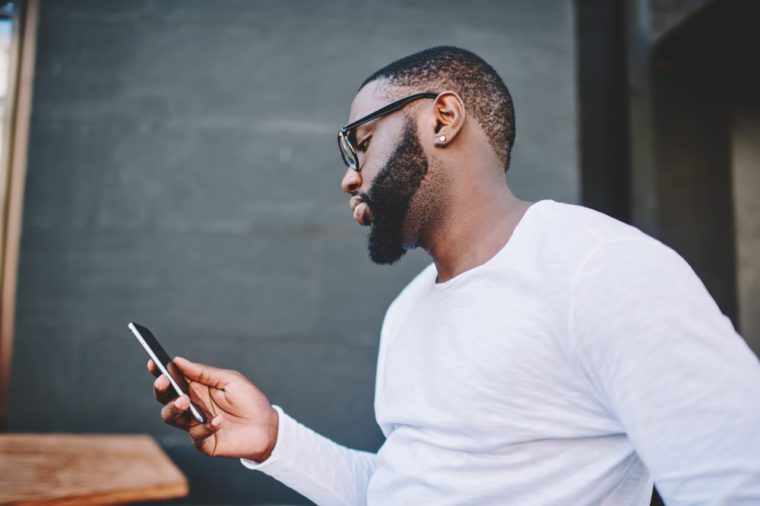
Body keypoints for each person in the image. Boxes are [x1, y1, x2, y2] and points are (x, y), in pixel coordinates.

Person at [148, 46, 760, 505]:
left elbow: (737, 480)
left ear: (443, 117)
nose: (349, 177)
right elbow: (400, 489)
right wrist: (271, 439)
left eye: (361, 143)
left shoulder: (599, 269)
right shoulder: (410, 308)